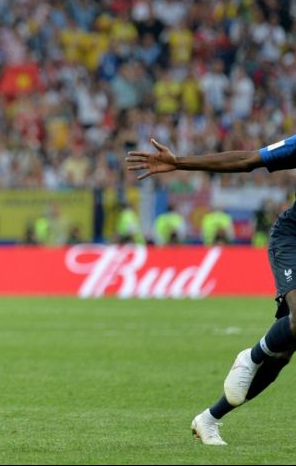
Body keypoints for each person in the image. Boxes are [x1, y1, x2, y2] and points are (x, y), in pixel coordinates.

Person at [126, 136, 296, 446]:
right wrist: (179, 163)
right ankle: (254, 355)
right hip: (292, 240)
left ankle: (209, 418)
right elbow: (246, 160)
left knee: (284, 352)